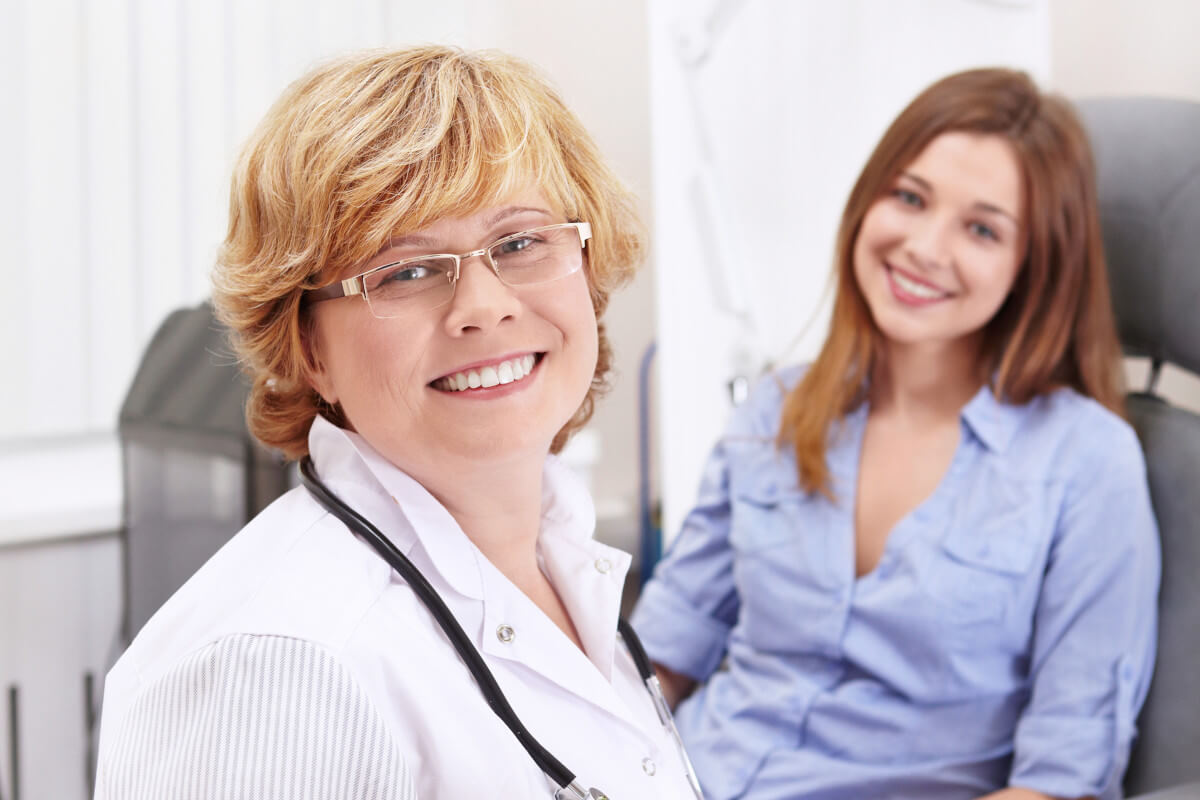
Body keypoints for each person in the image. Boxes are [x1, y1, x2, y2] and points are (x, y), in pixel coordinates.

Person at [95, 46, 701, 799]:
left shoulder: (561, 562)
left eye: (519, 242)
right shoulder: (285, 659)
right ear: (308, 345)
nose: (485, 307)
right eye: (405, 271)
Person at [631, 67, 1160, 800]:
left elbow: (1062, 780)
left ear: (1032, 265)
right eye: (909, 198)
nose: (924, 246)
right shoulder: (778, 407)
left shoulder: (1085, 460)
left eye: (981, 229)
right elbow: (658, 659)